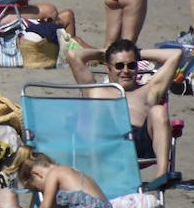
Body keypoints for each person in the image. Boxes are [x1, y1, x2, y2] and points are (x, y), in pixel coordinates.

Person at [66, 41, 182, 182]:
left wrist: (136, 53)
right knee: (96, 99)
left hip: (140, 143)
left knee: (158, 110)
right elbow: (73, 55)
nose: (126, 71)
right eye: (119, 66)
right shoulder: (95, 90)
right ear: (108, 68)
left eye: (131, 65)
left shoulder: (148, 90)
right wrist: (105, 52)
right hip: (106, 144)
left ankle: (161, 177)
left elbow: (176, 54)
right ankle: (96, 173)